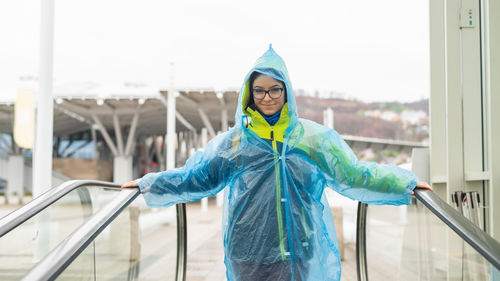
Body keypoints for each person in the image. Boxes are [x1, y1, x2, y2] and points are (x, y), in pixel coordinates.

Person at [122, 44, 432, 281]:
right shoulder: (234, 142)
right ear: (249, 93)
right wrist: (148, 184)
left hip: (299, 251)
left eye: (274, 89)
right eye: (259, 90)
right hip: (248, 253)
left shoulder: (313, 139)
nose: (267, 97)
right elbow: (198, 177)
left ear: (286, 91)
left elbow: (353, 174)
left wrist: (404, 183)